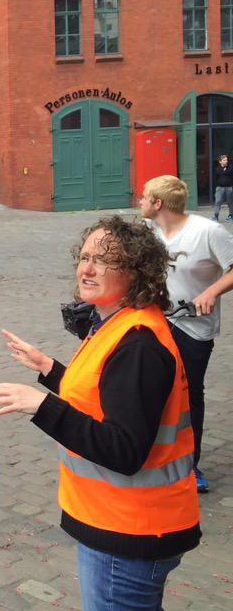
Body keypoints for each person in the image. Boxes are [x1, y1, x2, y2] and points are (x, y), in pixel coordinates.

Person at [0, 216, 200, 610]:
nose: (87, 269)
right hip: (125, 524)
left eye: (105, 260)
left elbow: (123, 451)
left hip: (130, 532)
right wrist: (49, 369)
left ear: (136, 272)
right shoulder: (115, 324)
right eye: (84, 257)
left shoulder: (137, 345)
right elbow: (104, 396)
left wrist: (42, 406)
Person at [139, 174, 233, 492]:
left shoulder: (208, 231)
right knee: (150, 388)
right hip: (154, 322)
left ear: (158, 203)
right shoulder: (149, 232)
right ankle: (152, 455)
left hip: (193, 327)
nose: (139, 201)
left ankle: (190, 465)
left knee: (189, 394)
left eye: (143, 196)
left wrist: (211, 293)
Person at [213, 154, 233, 221]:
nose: (226, 161)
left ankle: (231, 216)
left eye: (226, 160)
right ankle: (216, 216)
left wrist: (224, 171)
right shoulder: (217, 169)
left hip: (229, 188)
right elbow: (215, 178)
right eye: (224, 160)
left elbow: (228, 173)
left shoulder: (231, 168)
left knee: (230, 202)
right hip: (220, 188)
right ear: (220, 161)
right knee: (217, 202)